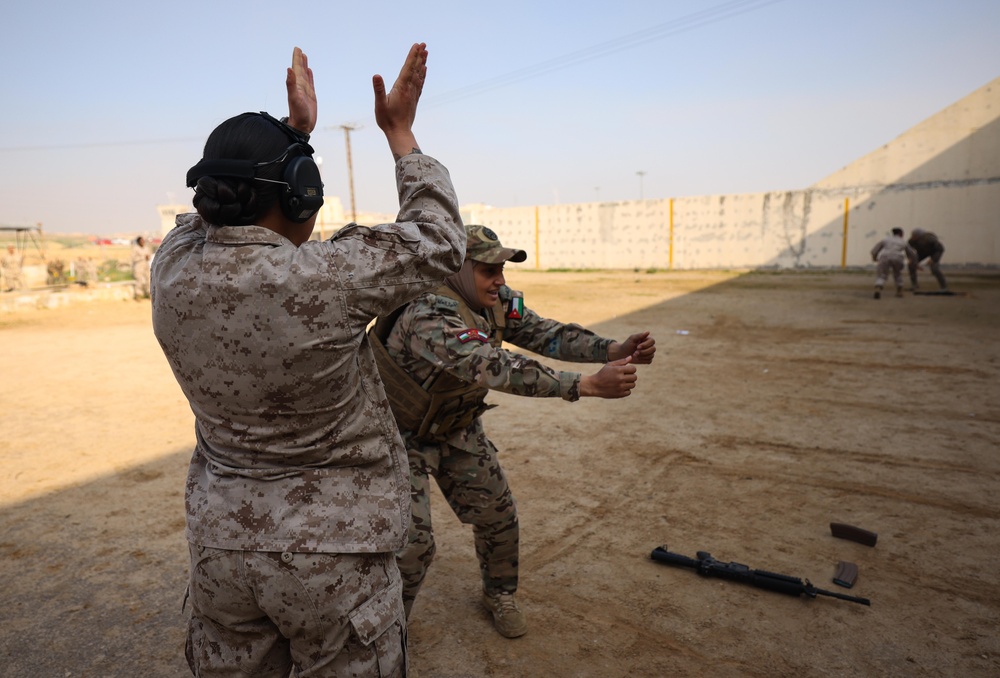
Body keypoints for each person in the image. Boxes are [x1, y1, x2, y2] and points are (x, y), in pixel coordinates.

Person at [150, 44, 465, 677]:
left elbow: (200, 218)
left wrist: (291, 137)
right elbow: (439, 242)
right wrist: (400, 134)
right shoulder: (327, 278)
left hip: (219, 548)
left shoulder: (171, 270)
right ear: (300, 194)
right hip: (334, 557)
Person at [368, 225, 656, 638]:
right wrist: (585, 384)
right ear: (457, 268)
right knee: (412, 546)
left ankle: (499, 593)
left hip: (454, 426)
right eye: (489, 270)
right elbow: (492, 367)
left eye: (501, 269)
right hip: (397, 437)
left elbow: (543, 332)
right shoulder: (427, 313)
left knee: (498, 515)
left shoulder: (495, 302)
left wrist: (610, 349)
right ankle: (386, 634)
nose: (500, 280)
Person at [870, 227, 916, 299]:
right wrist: (910, 259)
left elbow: (875, 249)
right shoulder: (903, 241)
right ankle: (899, 291)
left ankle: (878, 286)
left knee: (882, 274)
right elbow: (911, 253)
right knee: (897, 273)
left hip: (885, 256)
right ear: (901, 234)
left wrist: (874, 257)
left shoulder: (885, 240)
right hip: (898, 257)